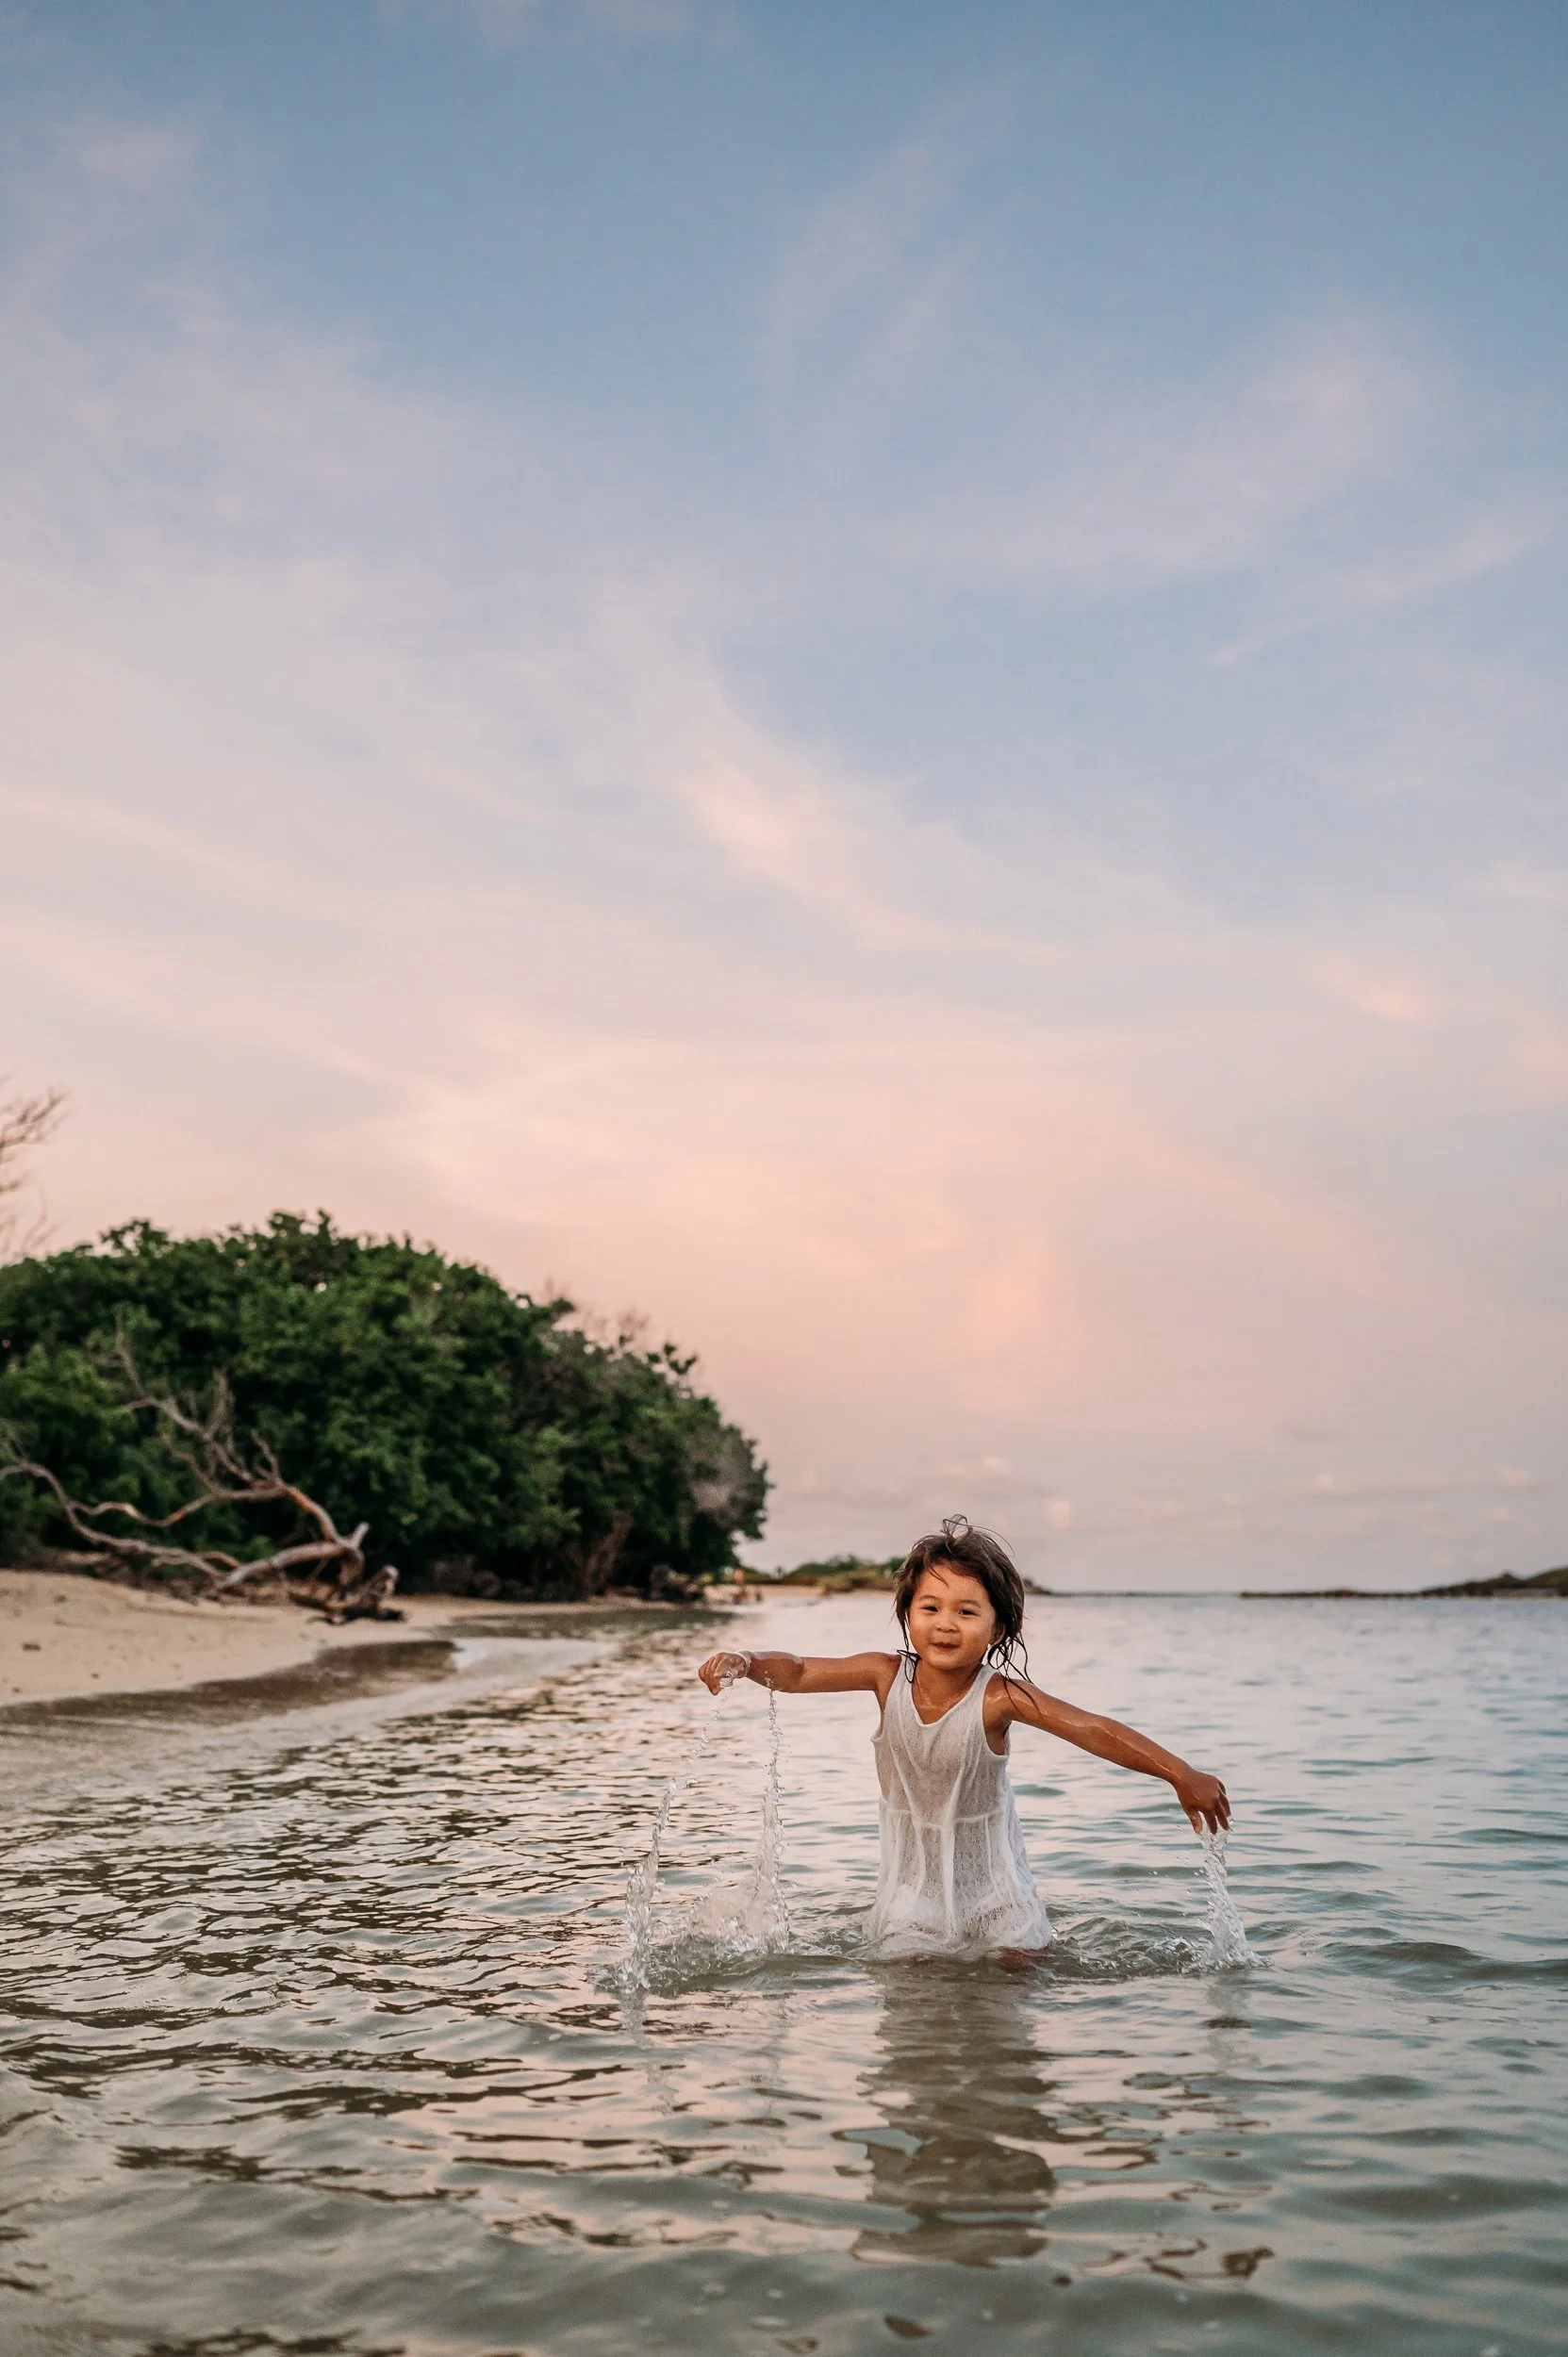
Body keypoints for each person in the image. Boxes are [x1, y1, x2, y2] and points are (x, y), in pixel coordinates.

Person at [698, 1515, 1230, 1958]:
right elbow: (798, 1671)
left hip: (998, 1895)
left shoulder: (1000, 1698)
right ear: (908, 1616)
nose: (946, 1624)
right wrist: (746, 1662)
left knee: (1018, 1980)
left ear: (996, 1629)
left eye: (967, 1611)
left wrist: (1179, 1773)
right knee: (912, 1999)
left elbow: (1091, 1729)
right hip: (912, 1894)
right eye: (930, 1608)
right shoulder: (886, 1676)